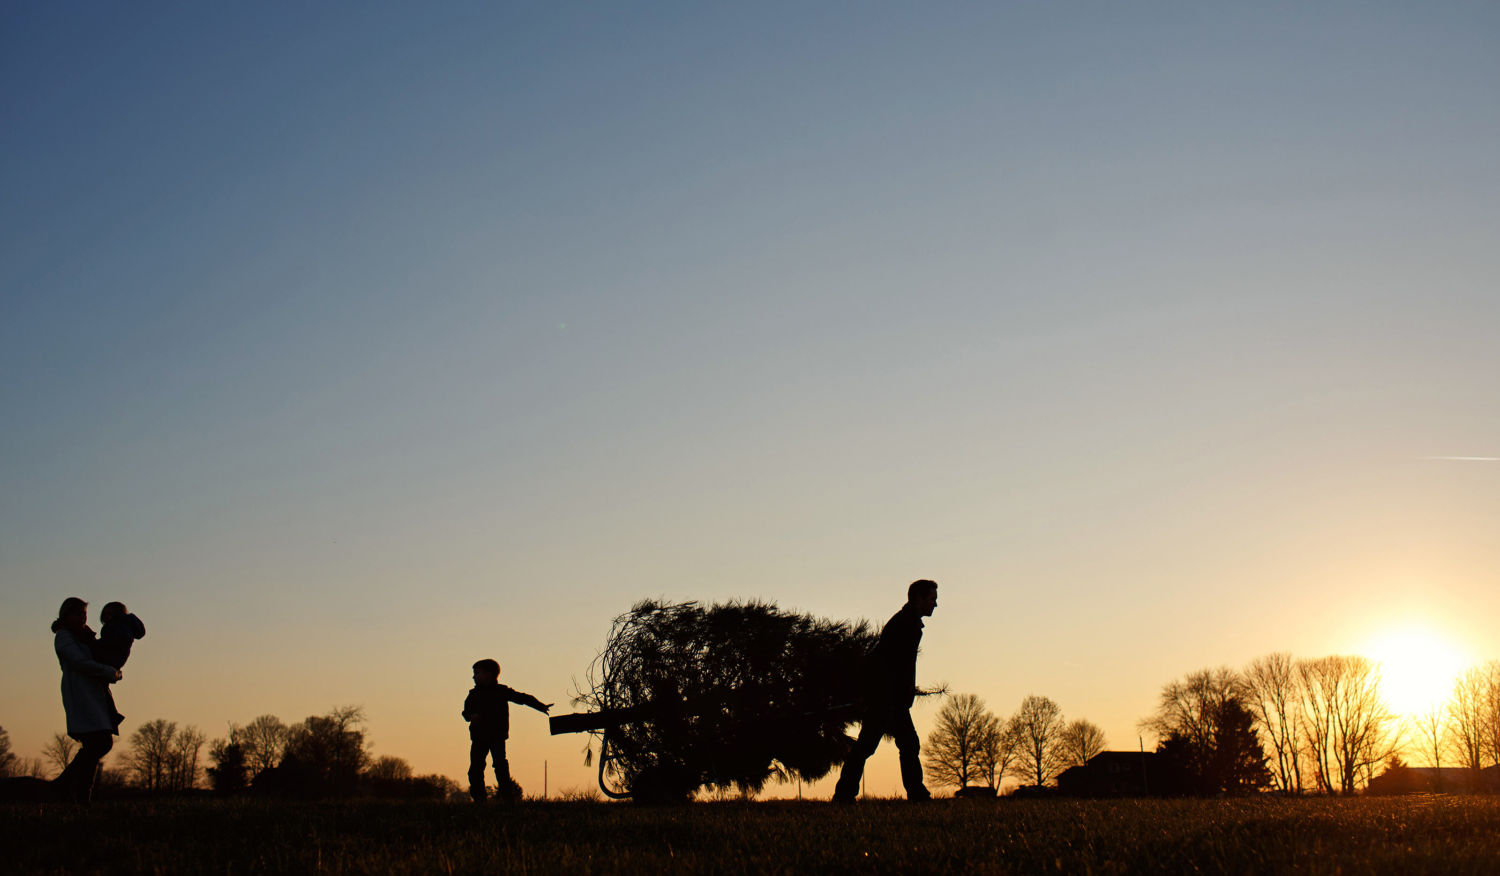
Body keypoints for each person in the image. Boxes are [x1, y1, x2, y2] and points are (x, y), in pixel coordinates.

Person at [832, 579, 939, 803]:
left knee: (891, 745)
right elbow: (884, 663)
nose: (935, 604)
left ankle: (846, 793)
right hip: (887, 698)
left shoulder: (908, 623)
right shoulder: (904, 625)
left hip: (890, 697)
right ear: (918, 598)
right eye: (932, 599)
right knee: (877, 745)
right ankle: (846, 793)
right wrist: (889, 693)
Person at [51, 597, 123, 803]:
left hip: (93, 695)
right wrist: (108, 671)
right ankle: (65, 785)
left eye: (84, 614)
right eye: (78, 614)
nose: (82, 618)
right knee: (100, 743)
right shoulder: (64, 637)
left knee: (95, 745)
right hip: (81, 695)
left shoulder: (84, 637)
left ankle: (80, 796)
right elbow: (80, 662)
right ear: (66, 615)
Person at [462, 659, 552, 803]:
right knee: (476, 769)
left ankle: (507, 799)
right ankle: (479, 800)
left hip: (496, 736)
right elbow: (466, 712)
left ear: (488, 674)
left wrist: (540, 706)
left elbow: (522, 698)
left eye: (477, 673)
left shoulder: (501, 691)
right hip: (479, 737)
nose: (474, 677)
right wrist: (471, 716)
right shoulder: (473, 694)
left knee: (500, 767)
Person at [95, 601, 146, 669]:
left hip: (110, 659)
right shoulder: (122, 626)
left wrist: (94, 643)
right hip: (115, 660)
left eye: (109, 613)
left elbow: (111, 642)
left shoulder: (118, 627)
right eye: (105, 614)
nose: (106, 616)